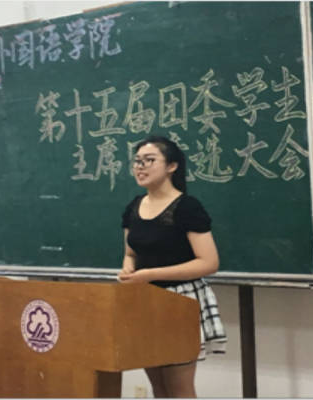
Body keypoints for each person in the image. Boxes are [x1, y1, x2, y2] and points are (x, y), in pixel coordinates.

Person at [118, 135, 227, 398]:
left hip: (179, 301)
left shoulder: (187, 207)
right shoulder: (133, 207)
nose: (140, 167)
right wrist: (128, 269)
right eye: (137, 161)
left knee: (179, 389)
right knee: (159, 387)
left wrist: (150, 275)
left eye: (149, 160)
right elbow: (131, 253)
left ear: (172, 166)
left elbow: (208, 262)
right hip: (144, 299)